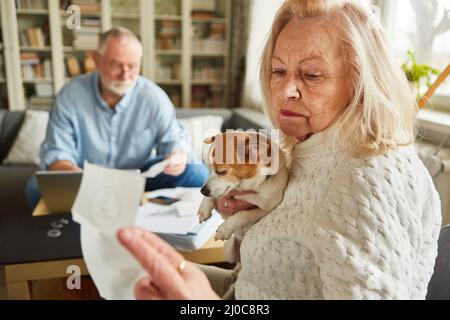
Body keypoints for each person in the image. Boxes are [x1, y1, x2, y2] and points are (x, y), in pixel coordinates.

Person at [117, 0, 442, 299]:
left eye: (311, 74)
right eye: (278, 70)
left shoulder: (367, 181)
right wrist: (176, 273)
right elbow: (255, 289)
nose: (285, 89)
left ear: (361, 84)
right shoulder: (303, 152)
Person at [25, 27, 208, 209]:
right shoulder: (71, 95)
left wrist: (178, 155)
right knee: (36, 188)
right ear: (97, 60)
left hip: (138, 177)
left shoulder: (153, 96)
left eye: (133, 66)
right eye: (116, 65)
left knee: (197, 172)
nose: (125, 74)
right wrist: (78, 177)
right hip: (85, 178)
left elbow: (175, 137)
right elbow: (58, 152)